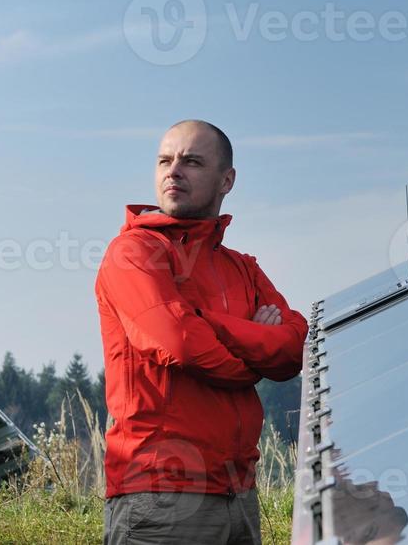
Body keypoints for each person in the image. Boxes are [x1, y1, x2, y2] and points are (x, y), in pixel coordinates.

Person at [97, 120, 307, 545]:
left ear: (226, 180)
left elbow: (291, 348)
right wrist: (252, 356)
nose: (173, 171)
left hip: (239, 494)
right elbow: (180, 344)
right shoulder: (133, 254)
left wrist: (203, 320)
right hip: (159, 495)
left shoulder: (241, 266)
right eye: (164, 160)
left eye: (191, 161)